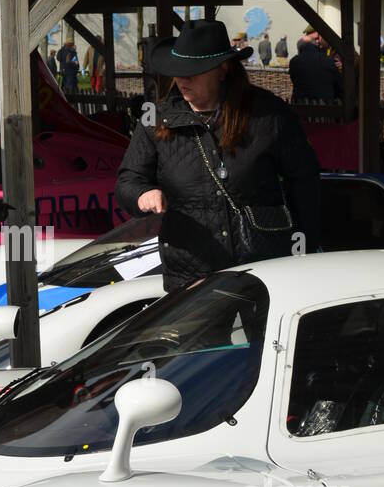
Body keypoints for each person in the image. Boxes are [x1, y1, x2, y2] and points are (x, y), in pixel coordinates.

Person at [115, 20, 320, 292]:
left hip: (264, 268)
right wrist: (143, 194)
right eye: (178, 72)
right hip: (190, 271)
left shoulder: (268, 114)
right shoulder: (156, 119)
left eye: (194, 72)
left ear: (223, 69)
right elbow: (128, 179)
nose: (182, 80)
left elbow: (304, 180)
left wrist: (306, 244)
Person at [289, 34, 342, 103]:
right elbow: (339, 84)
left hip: (300, 104)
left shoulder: (294, 61)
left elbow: (294, 80)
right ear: (315, 45)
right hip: (325, 105)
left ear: (300, 49)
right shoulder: (329, 60)